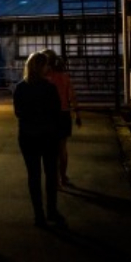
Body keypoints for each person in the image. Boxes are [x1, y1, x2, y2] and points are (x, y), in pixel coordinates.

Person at [13, 52, 65, 228]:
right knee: (51, 175)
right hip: (48, 136)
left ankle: (39, 214)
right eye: (46, 65)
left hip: (28, 136)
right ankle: (52, 210)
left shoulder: (20, 88)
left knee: (33, 176)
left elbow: (18, 112)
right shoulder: (49, 88)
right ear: (41, 67)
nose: (48, 68)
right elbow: (57, 113)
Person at [41, 49, 81, 188]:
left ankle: (53, 179)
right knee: (62, 149)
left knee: (50, 150)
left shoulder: (44, 78)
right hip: (64, 114)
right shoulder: (65, 77)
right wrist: (77, 114)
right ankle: (63, 177)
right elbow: (72, 96)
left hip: (48, 116)